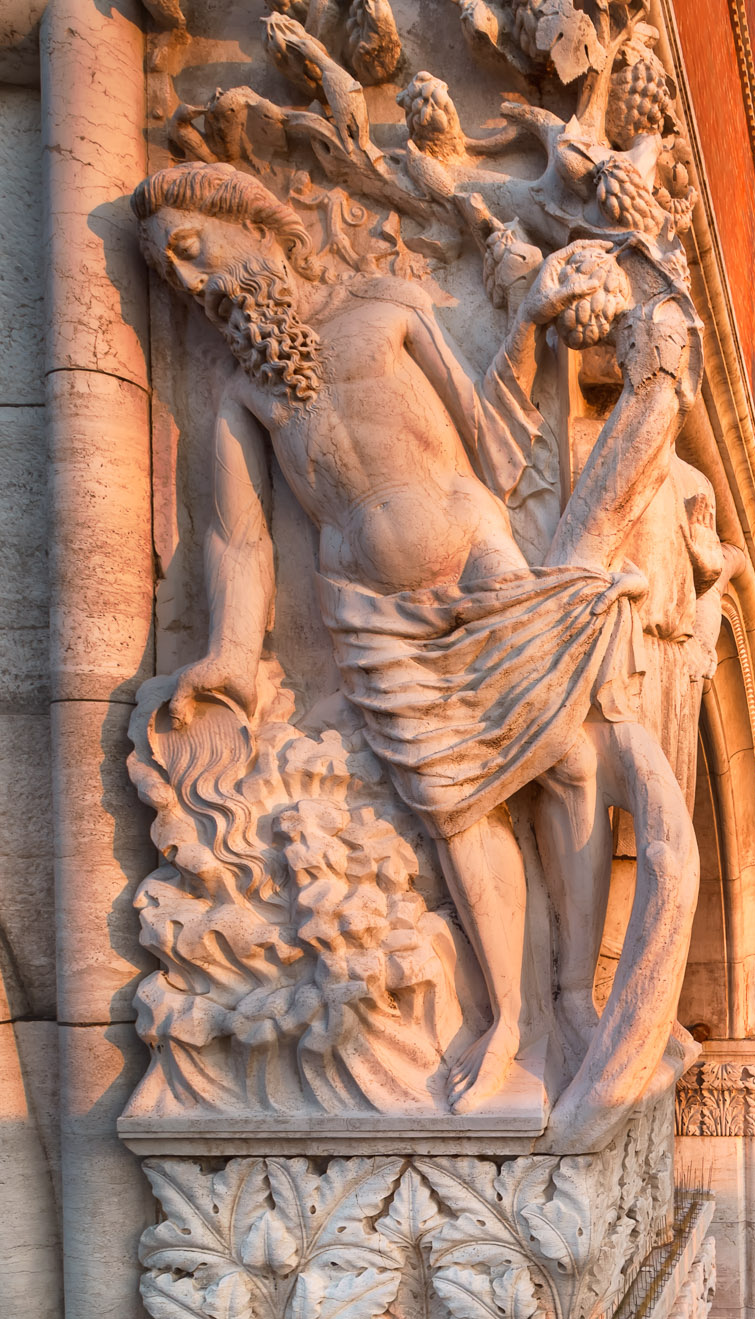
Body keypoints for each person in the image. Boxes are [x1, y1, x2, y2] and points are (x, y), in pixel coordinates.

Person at [132, 161, 707, 1150]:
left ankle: (576, 995)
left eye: (192, 248)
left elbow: (488, 434)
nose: (189, 280)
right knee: (455, 808)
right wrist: (228, 652)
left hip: (478, 560)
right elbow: (238, 539)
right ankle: (511, 1021)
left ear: (252, 223)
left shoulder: (387, 303)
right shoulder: (239, 388)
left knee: (565, 757)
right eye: (168, 271)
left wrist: (526, 320)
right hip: (370, 614)